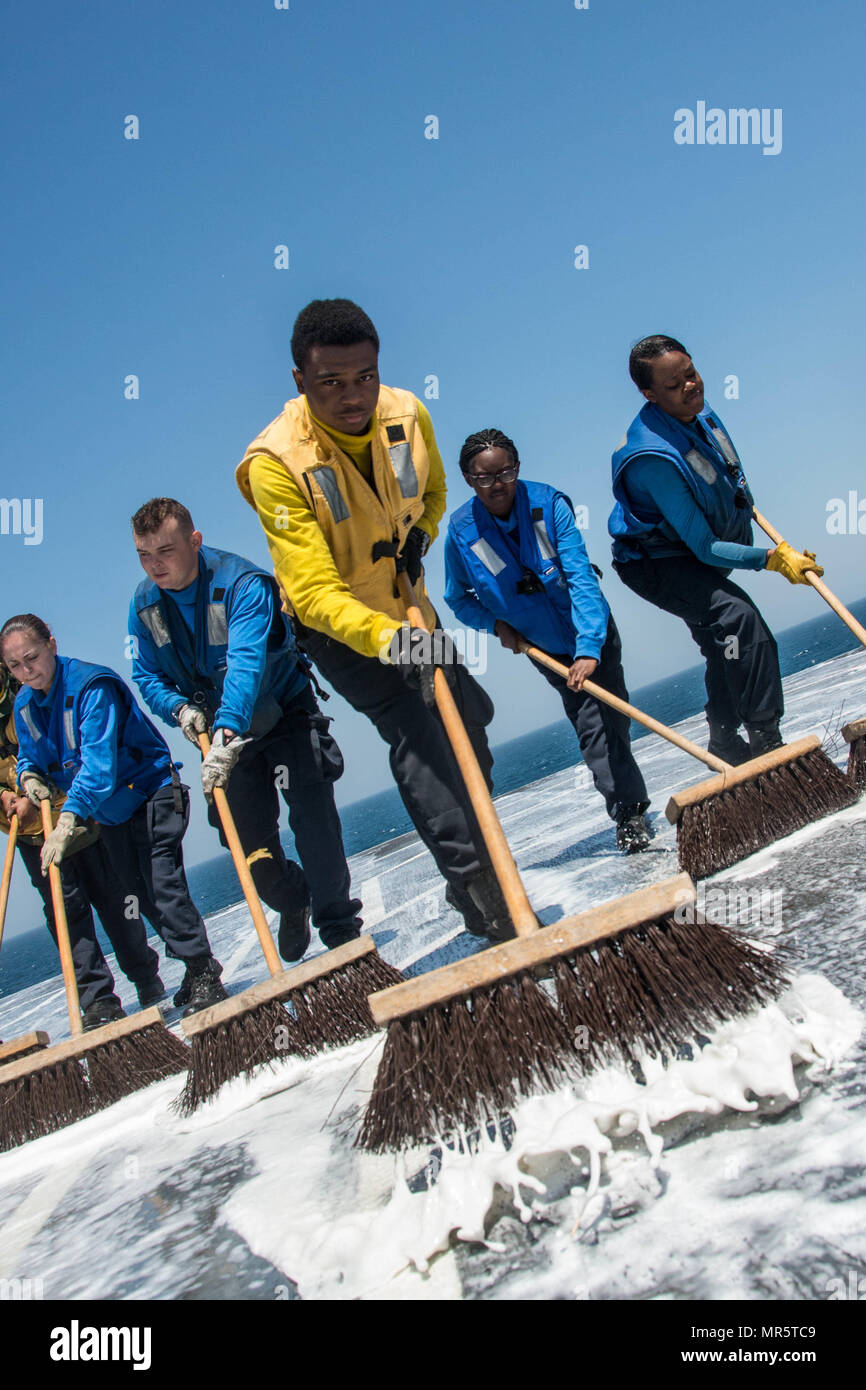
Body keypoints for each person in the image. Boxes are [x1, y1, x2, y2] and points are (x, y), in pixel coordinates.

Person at [235, 297, 512, 942]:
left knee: (469, 722)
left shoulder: (408, 412)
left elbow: (435, 491)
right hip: (342, 630)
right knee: (418, 728)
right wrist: (391, 640)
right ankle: (485, 895)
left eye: (364, 376)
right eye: (330, 382)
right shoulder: (274, 465)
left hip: (406, 597)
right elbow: (312, 592)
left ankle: (468, 864)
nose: (353, 395)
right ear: (299, 380)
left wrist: (422, 534)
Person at [127, 497, 363, 962]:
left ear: (195, 540)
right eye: (144, 555)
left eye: (166, 551)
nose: (155, 565)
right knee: (248, 847)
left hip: (282, 714)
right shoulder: (144, 606)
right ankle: (293, 900)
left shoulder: (243, 583)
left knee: (314, 824)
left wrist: (227, 731)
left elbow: (246, 664)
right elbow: (145, 675)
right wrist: (178, 709)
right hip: (215, 731)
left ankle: (340, 929)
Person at [608, 336, 823, 763]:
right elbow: (705, 549)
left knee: (723, 644)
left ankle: (725, 739)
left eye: (691, 373)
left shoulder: (700, 412)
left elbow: (730, 478)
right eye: (674, 385)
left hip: (693, 548)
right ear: (649, 394)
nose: (690, 386)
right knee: (740, 621)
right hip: (656, 563)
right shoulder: (651, 456)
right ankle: (766, 738)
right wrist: (771, 560)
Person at [0, 614, 227, 1017]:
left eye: (31, 658)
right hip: (110, 814)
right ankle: (193, 967)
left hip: (151, 793)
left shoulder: (92, 686)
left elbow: (98, 767)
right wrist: (29, 775)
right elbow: (31, 755)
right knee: (138, 895)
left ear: (52, 644)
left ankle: (203, 968)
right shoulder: (24, 704)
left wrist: (68, 819)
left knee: (162, 885)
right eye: (15, 666)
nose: (26, 672)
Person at [444, 428, 651, 852]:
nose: (497, 484)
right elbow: (457, 598)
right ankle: (628, 815)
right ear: (468, 479)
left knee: (613, 719)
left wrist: (590, 648)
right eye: (485, 477)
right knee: (592, 725)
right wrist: (496, 626)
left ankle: (629, 803)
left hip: (592, 634)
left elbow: (578, 576)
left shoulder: (548, 504)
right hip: (542, 647)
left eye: (506, 472)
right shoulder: (462, 531)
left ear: (518, 469)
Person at [0, 665, 165, 1029]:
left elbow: (69, 745)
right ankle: (98, 1000)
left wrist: (39, 789)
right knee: (65, 913)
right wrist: (6, 797)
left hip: (81, 816)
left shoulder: (28, 692)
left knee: (116, 898)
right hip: (32, 834)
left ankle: (145, 975)